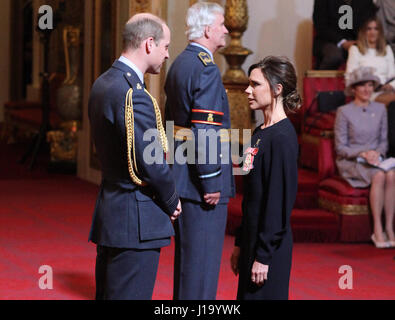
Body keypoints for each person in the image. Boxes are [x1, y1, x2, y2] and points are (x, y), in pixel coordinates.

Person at [88, 13, 182, 300]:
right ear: (149, 44)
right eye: (166, 47)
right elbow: (151, 162)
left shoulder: (104, 82)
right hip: (136, 221)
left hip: (113, 213)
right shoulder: (134, 94)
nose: (167, 54)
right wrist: (171, 199)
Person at [164, 1, 235, 300]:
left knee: (189, 266)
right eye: (221, 25)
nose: (226, 29)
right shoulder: (206, 69)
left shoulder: (180, 62)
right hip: (200, 183)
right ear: (207, 29)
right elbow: (205, 133)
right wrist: (212, 181)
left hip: (182, 175)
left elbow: (174, 126)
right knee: (201, 270)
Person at [230, 56, 301, 300]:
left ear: (277, 89)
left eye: (255, 84)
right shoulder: (260, 133)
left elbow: (278, 203)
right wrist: (241, 242)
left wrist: (263, 255)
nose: (248, 90)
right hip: (252, 241)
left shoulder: (282, 138)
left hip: (269, 251)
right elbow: (251, 196)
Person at [334, 66, 395, 248]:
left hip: (376, 159)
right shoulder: (344, 111)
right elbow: (341, 147)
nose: (367, 90)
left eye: (370, 85)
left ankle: (390, 228)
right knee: (378, 175)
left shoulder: (380, 109)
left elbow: (384, 142)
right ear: (354, 89)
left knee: (391, 175)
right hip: (352, 161)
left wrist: (377, 153)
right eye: (363, 86)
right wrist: (362, 154)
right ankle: (377, 230)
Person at [313, 0, 378, 70]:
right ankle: (321, 78)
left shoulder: (366, 2)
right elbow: (321, 27)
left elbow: (370, 23)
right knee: (334, 56)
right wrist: (342, 42)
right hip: (330, 41)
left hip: (357, 40)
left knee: (374, 52)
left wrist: (359, 41)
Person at [346, 16, 395, 106]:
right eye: (369, 29)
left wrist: (391, 85)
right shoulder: (355, 49)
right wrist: (367, 87)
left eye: (376, 29)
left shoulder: (386, 49)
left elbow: (393, 74)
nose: (372, 32)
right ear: (364, 31)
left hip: (387, 90)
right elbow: (349, 77)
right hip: (367, 92)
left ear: (380, 32)